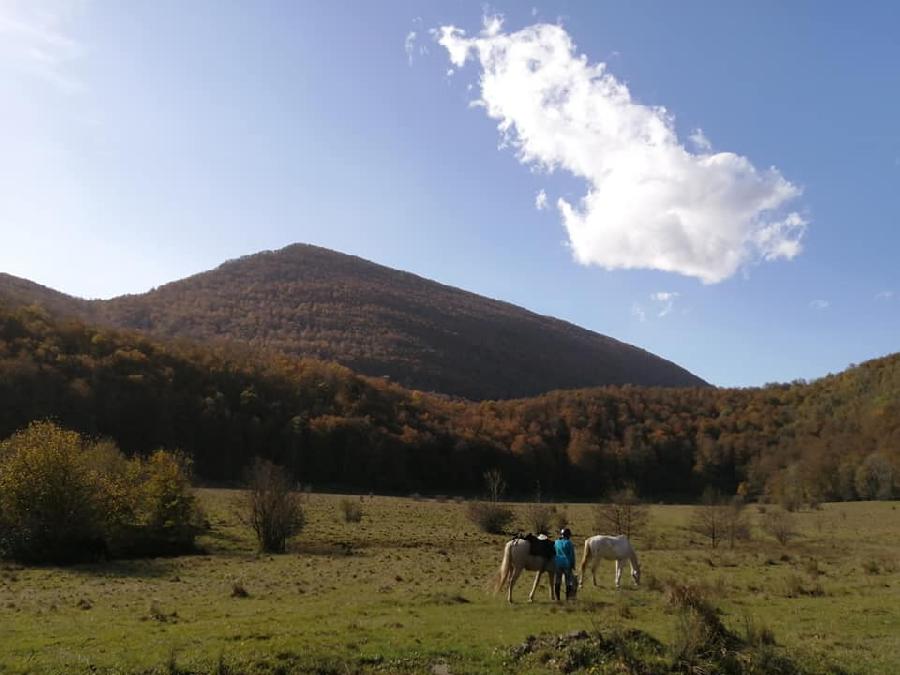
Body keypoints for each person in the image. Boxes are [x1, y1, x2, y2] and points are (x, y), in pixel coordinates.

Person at [554, 527, 577, 600]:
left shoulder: (556, 542)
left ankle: (558, 598)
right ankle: (567, 598)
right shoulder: (569, 543)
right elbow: (572, 555)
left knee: (557, 580)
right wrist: (573, 565)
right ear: (568, 535)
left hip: (557, 563)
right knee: (568, 582)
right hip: (567, 564)